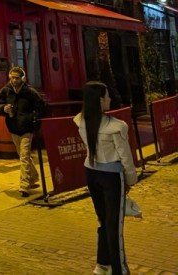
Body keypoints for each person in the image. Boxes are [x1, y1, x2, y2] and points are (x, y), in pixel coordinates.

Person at [74, 80, 137, 275]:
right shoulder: (116, 126)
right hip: (111, 176)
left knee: (103, 221)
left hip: (91, 172)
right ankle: (120, 269)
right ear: (101, 100)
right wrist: (131, 179)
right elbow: (125, 156)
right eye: (107, 96)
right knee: (114, 225)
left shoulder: (81, 121)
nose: (110, 99)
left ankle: (102, 264)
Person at [0, 66, 45, 196]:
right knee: (23, 155)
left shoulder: (30, 92)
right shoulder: (5, 91)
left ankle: (24, 186)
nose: (14, 80)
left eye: (17, 78)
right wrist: (3, 108)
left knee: (23, 156)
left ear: (22, 78)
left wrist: (32, 119)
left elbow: (42, 108)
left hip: (27, 128)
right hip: (13, 127)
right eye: (12, 77)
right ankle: (33, 177)